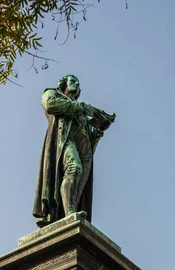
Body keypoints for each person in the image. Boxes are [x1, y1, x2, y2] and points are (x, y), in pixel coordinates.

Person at [33, 74, 115, 227]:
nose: (76, 84)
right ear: (63, 83)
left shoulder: (82, 113)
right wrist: (82, 107)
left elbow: (89, 140)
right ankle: (70, 214)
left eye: (78, 83)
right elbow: (50, 104)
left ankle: (68, 214)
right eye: (73, 81)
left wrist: (99, 130)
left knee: (79, 186)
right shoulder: (52, 93)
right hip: (64, 141)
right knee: (74, 168)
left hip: (85, 150)